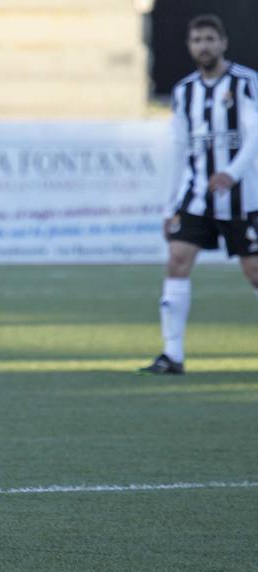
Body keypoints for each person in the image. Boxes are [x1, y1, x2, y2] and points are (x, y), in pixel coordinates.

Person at [139, 14, 258, 375]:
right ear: (189, 46)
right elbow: (178, 149)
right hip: (195, 197)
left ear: (223, 43)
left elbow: (255, 135)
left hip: (244, 197)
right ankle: (172, 355)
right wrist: (170, 204)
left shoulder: (246, 83)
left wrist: (232, 173)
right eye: (197, 40)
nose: (203, 46)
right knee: (176, 260)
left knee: (254, 272)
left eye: (209, 39)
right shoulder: (184, 91)